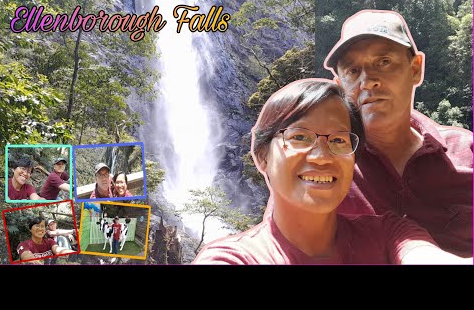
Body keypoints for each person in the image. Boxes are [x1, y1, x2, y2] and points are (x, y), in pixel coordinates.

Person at [193, 79, 471, 264]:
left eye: (339, 140)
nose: (322, 156)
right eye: (299, 137)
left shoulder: (389, 234)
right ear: (263, 155)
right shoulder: (235, 257)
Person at [323, 9, 473, 257]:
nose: (368, 81)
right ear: (340, 87)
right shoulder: (319, 166)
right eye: (352, 71)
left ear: (415, 69)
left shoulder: (466, 152)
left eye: (384, 62)